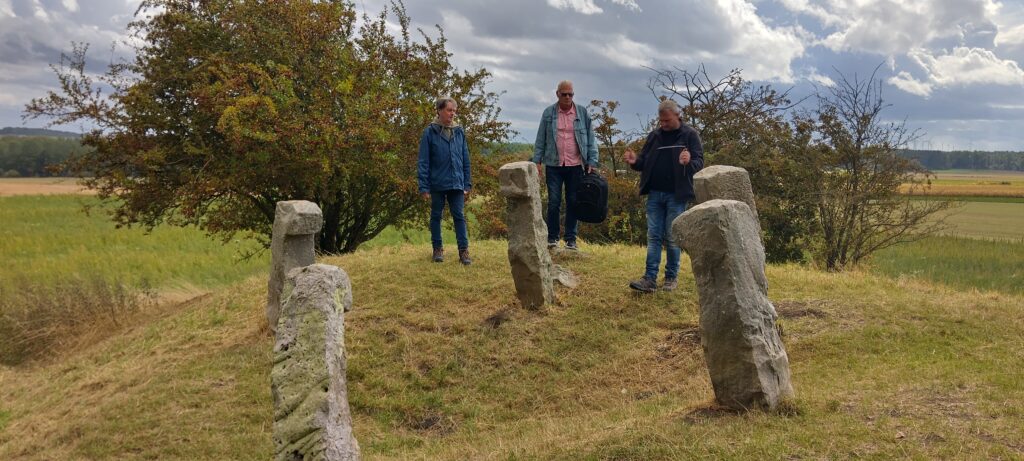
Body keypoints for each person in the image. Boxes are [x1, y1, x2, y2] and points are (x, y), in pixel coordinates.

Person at [623, 100, 704, 292]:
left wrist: (688, 161)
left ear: (678, 116)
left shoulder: (690, 135)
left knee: (673, 237)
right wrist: (635, 162)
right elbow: (643, 161)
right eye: (661, 121)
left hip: (677, 195)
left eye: (667, 121)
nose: (663, 124)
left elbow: (699, 163)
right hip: (654, 193)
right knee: (654, 237)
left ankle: (670, 277)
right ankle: (649, 279)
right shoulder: (655, 136)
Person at [532, 80, 599, 251]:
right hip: (554, 165)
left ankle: (571, 239)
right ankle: (552, 238)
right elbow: (541, 139)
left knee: (573, 201)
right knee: (554, 202)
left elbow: (591, 139)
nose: (568, 97)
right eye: (564, 94)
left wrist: (592, 160)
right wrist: (536, 161)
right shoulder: (548, 113)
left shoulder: (582, 113)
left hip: (575, 165)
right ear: (557, 94)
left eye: (571, 94)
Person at [418, 97, 472, 265]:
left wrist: (467, 183)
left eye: (454, 110)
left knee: (459, 216)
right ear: (439, 111)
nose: (452, 113)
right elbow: (423, 161)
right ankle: (437, 249)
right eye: (449, 110)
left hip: (457, 183)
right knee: (436, 216)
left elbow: (465, 159)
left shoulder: (459, 131)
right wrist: (423, 186)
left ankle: (464, 251)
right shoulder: (429, 132)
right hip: (437, 183)